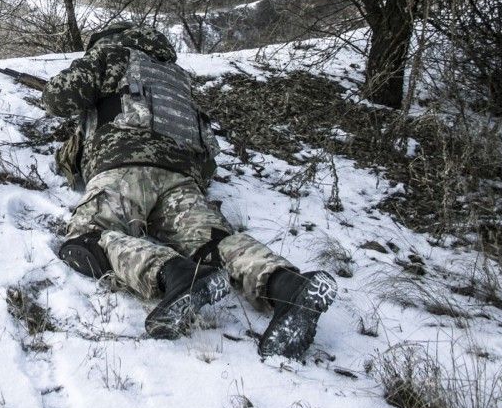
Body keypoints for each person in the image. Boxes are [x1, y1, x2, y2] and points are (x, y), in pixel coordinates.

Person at [45, 23, 336, 360]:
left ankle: (174, 274)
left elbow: (58, 97)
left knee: (86, 238)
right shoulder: (175, 76)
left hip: (124, 165)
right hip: (184, 173)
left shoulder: (109, 51)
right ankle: (286, 285)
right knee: (211, 242)